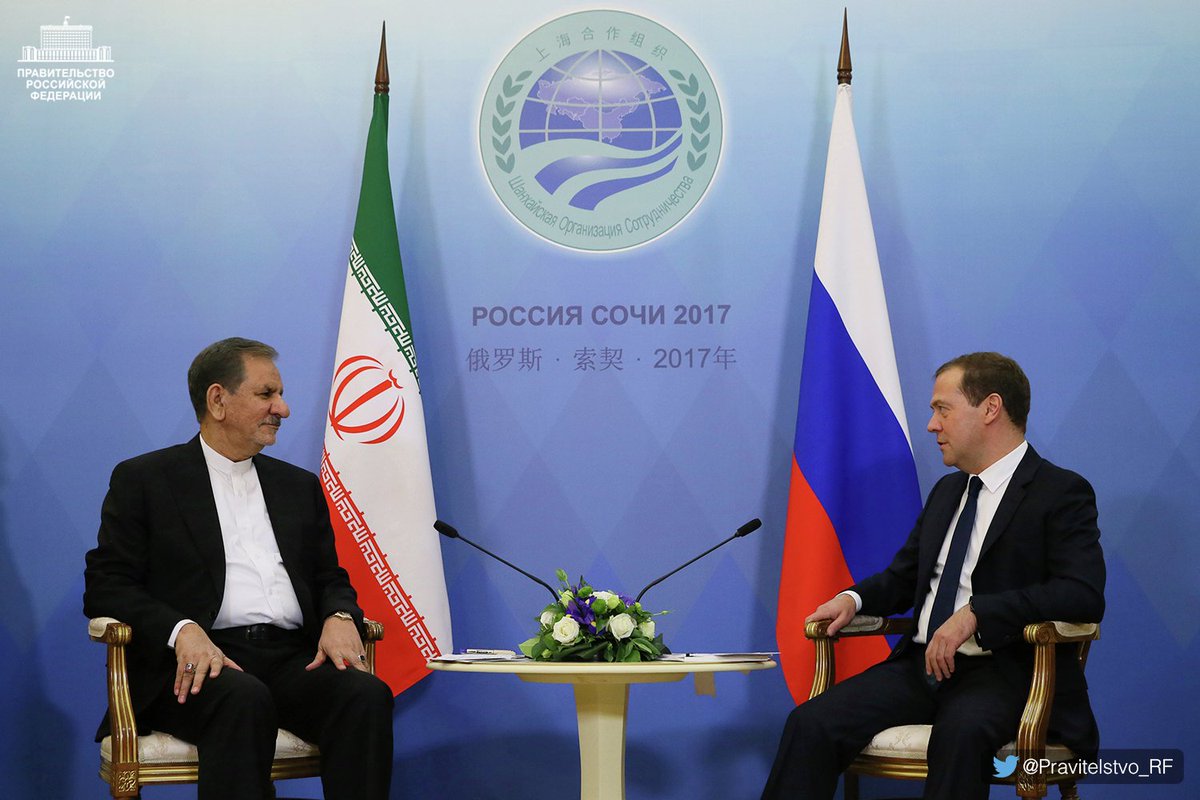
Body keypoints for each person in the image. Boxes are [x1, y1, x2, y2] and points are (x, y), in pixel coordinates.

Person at [762, 352, 1105, 800]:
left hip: (1005, 674)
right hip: (920, 667)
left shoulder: (1060, 492)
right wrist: (852, 599)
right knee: (810, 723)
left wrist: (978, 613)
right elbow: (904, 578)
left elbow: (1081, 594)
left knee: (959, 735)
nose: (931, 425)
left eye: (943, 409)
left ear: (991, 408)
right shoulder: (948, 491)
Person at [84, 337, 394, 800]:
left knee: (365, 695)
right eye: (267, 394)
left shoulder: (298, 487)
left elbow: (330, 577)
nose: (283, 408)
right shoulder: (146, 480)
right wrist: (181, 630)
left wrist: (339, 615)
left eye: (280, 394)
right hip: (198, 667)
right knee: (243, 697)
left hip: (291, 659)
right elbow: (106, 586)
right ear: (218, 400)